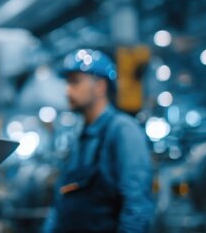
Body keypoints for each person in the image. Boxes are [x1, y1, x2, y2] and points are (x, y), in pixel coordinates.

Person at [42, 49, 154, 232]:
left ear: (100, 86)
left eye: (75, 82)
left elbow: (137, 203)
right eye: (67, 82)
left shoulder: (122, 130)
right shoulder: (78, 139)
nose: (67, 90)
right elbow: (60, 203)